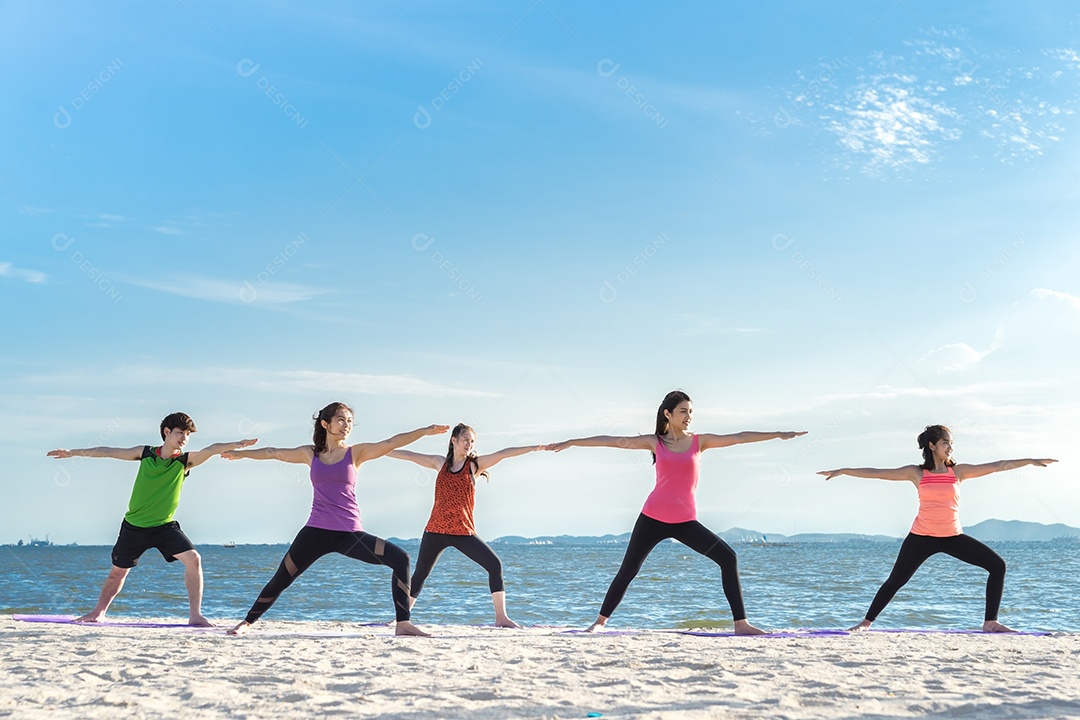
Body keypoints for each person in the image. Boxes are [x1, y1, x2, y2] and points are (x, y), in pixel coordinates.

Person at [546, 390, 806, 634]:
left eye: (691, 411)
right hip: (652, 518)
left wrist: (778, 433)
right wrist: (572, 442)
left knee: (728, 558)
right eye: (683, 411)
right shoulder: (655, 442)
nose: (688, 416)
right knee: (628, 570)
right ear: (668, 414)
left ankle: (741, 624)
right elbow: (611, 442)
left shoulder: (700, 442)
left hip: (685, 522)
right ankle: (600, 623)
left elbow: (738, 437)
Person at [223, 402, 448, 637]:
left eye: (349, 421)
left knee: (401, 559)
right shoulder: (310, 454)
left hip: (349, 534)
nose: (346, 425)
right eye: (340, 420)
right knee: (281, 578)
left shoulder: (356, 453)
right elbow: (273, 453)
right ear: (325, 423)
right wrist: (241, 454)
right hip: (315, 532)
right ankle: (247, 622)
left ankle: (403, 624)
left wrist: (423, 431)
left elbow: (391, 443)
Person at [818, 424, 1057, 632]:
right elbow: (879, 473)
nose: (950, 447)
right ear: (932, 446)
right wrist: (843, 471)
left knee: (997, 565)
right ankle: (866, 622)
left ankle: (990, 622)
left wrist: (1029, 461)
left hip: (952, 537)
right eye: (945, 443)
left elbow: (996, 465)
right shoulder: (917, 473)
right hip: (921, 537)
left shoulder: (959, 472)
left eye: (951, 443)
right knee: (896, 581)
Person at [47, 412, 256, 626]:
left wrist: (238, 444)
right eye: (179, 433)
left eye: (187, 434)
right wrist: (72, 453)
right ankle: (98, 612)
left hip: (164, 527)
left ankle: (195, 615)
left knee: (194, 559)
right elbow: (108, 451)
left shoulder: (185, 461)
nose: (184, 438)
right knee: (117, 574)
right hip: (134, 527)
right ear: (166, 432)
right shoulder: (145, 453)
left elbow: (211, 449)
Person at [386, 423, 543, 628]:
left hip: (463, 531)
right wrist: (380, 451)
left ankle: (501, 618)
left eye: (472, 441)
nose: (469, 444)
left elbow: (503, 453)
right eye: (465, 439)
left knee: (495, 565)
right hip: (435, 530)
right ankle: (400, 618)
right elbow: (409, 455)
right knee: (420, 574)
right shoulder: (439, 463)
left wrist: (532, 448)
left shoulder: (474, 466)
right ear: (454, 440)